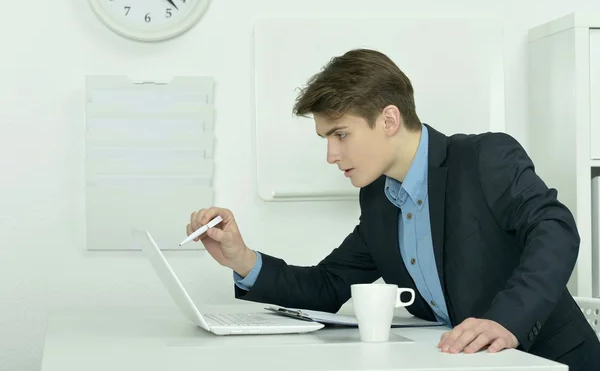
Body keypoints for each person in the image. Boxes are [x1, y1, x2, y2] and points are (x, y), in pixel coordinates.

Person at [187, 49, 600, 370]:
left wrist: (505, 320)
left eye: (340, 134)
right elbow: (329, 285)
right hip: (471, 364)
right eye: (325, 139)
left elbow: (556, 229)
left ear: (388, 120)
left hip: (552, 360)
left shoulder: (483, 157)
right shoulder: (380, 198)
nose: (331, 154)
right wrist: (241, 259)